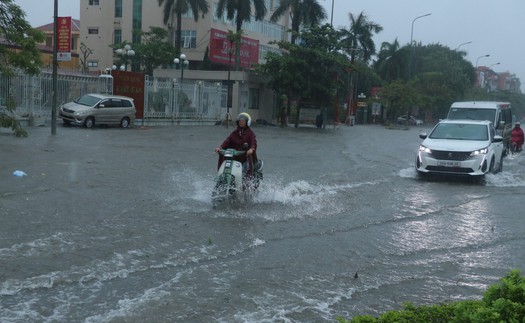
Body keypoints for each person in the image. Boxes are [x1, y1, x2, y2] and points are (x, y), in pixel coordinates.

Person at [215, 112, 258, 178]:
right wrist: (220, 148)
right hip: (235, 156)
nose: (240, 122)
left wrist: (251, 149)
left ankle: (247, 184)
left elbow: (253, 142)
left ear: (247, 122)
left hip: (244, 157)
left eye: (243, 120)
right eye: (239, 120)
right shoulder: (235, 132)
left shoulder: (250, 133)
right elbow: (228, 140)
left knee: (244, 173)